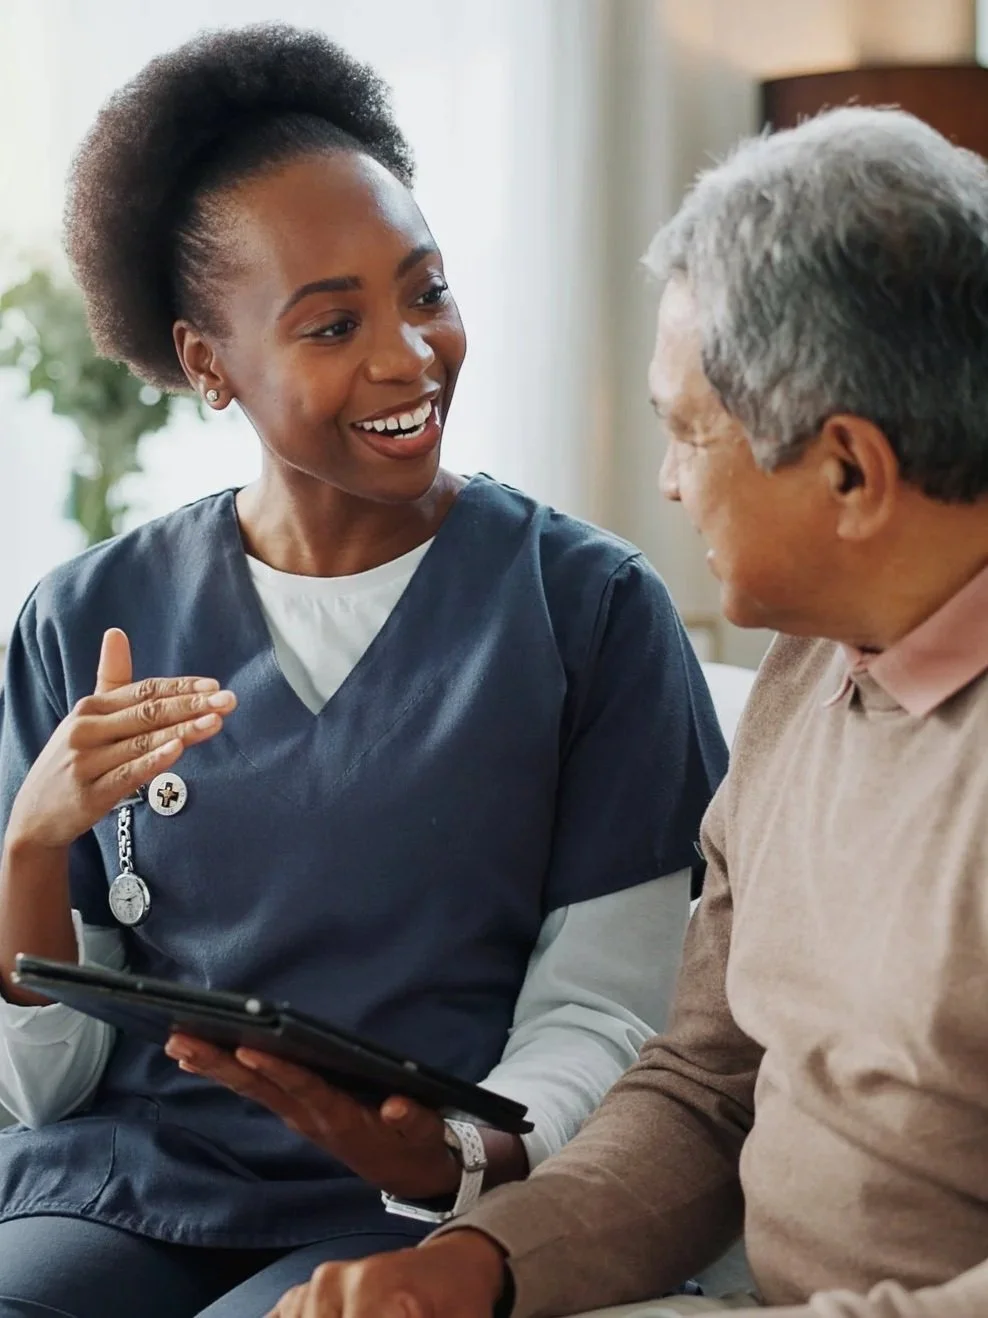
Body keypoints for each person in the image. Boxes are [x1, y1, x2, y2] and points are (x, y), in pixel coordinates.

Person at [0, 22, 726, 1318]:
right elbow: (44, 1078)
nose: (409, 354)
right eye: (335, 323)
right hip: (118, 1182)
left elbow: (616, 1013)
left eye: (427, 290)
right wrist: (25, 851)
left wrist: (462, 1154)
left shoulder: (591, 609)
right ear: (208, 362)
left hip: (419, 1202)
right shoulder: (85, 615)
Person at [266, 105, 988, 1318]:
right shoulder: (807, 673)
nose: (663, 482)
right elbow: (706, 1087)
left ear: (849, 472)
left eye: (688, 434)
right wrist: (479, 1265)